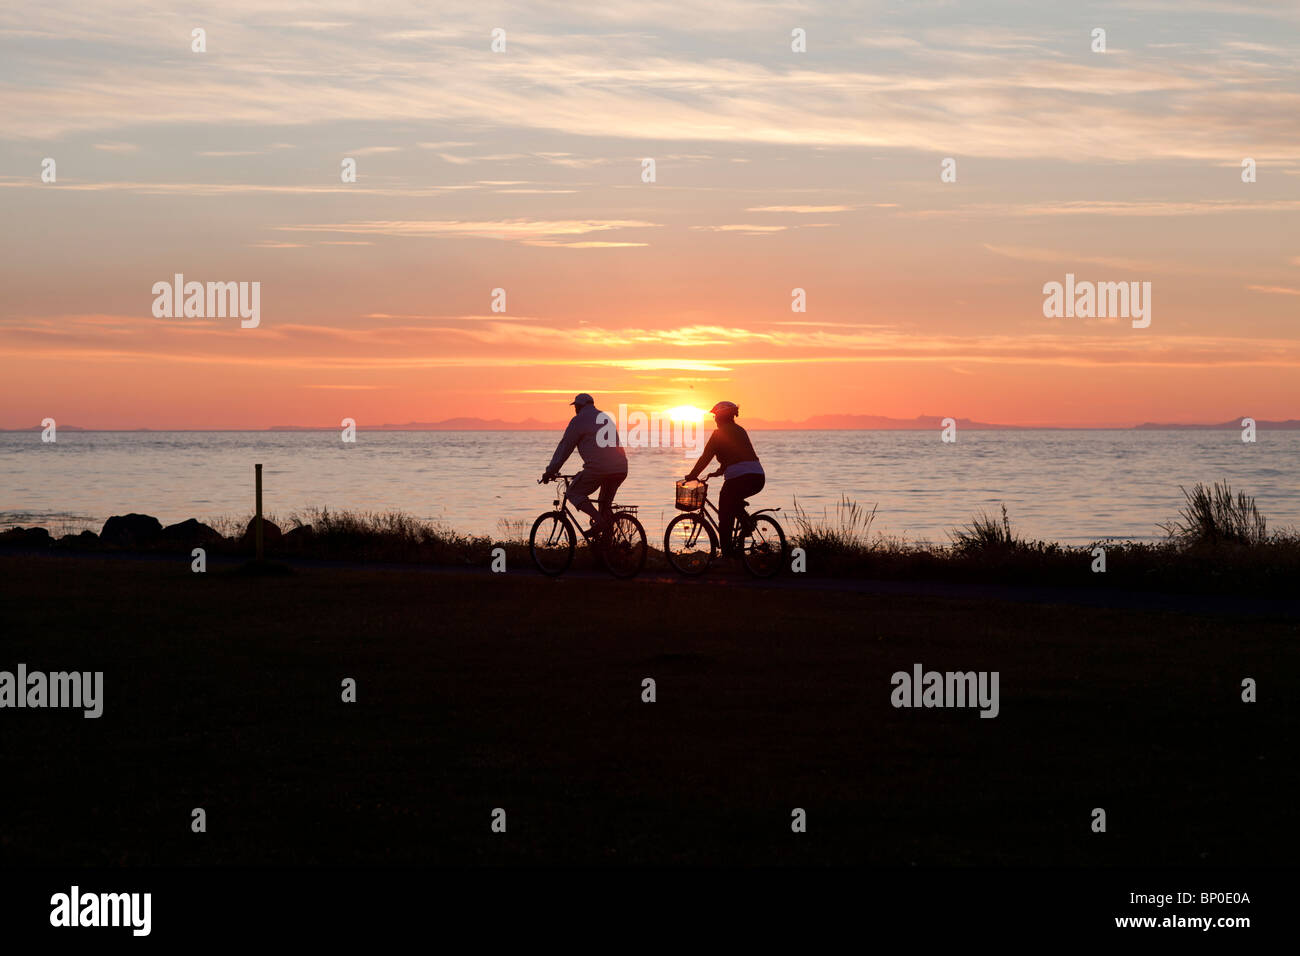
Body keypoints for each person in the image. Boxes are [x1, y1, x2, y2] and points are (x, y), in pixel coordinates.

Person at [684, 401, 764, 558]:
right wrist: (719, 471)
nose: (714, 419)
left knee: (724, 513)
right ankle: (745, 523)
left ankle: (727, 554)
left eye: (715, 415)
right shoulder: (740, 430)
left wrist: (692, 475)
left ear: (721, 416)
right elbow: (738, 456)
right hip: (758, 477)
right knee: (733, 503)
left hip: (739, 478)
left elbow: (705, 457)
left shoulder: (718, 434)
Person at [541, 393, 628, 534]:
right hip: (620, 467)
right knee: (605, 505)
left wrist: (550, 471)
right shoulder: (605, 417)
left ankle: (599, 521)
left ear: (578, 406)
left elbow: (564, 448)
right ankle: (607, 548)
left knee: (573, 492)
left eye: (575, 407)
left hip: (599, 468)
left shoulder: (578, 421)